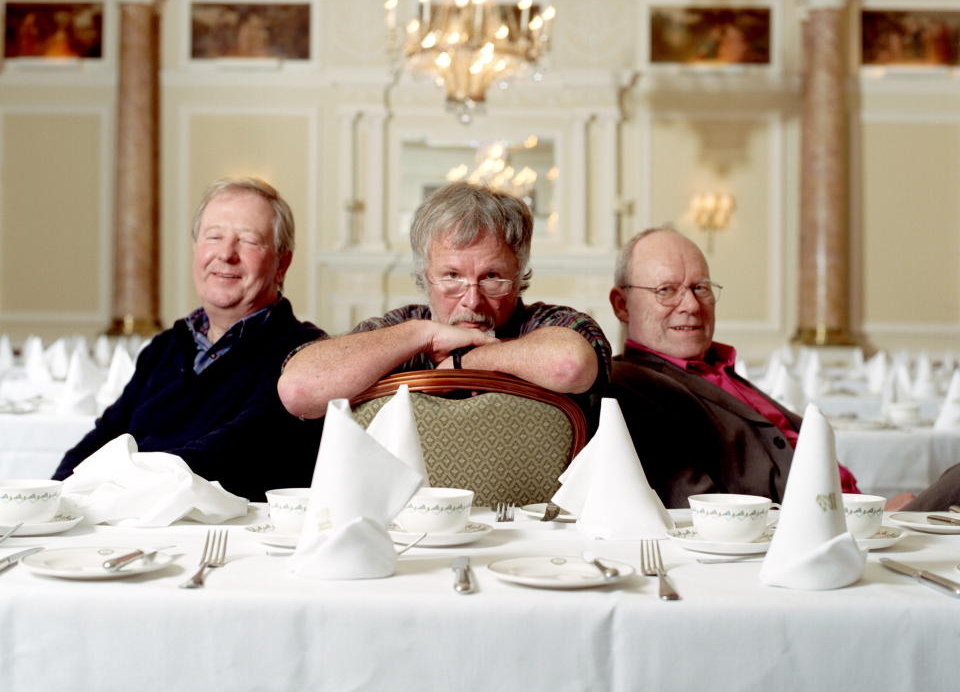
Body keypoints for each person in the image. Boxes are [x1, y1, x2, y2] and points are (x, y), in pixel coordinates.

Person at [607, 227, 932, 511]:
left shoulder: (717, 370)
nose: (691, 305)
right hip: (818, 543)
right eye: (666, 290)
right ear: (622, 305)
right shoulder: (637, 386)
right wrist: (870, 518)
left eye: (700, 288)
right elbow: (702, 515)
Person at [54, 177, 326, 500]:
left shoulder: (304, 354)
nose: (226, 254)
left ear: (282, 264)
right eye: (213, 236)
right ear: (196, 250)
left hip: (223, 537)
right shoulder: (165, 347)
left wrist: (116, 483)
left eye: (249, 241)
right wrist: (54, 496)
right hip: (131, 519)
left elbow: (231, 453)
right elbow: (105, 436)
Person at [278, 181, 611, 420]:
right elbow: (298, 391)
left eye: (492, 277)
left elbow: (571, 365)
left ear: (520, 271)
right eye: (452, 276)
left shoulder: (551, 324)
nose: (472, 301)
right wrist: (423, 336)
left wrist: (462, 364)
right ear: (424, 276)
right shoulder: (397, 330)